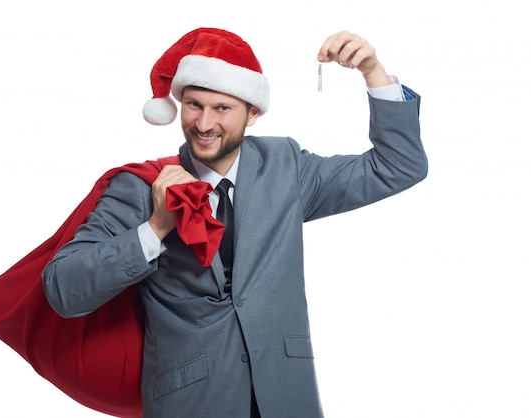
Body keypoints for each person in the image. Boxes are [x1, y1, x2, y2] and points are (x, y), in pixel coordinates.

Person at [42, 27, 428, 418]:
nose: (204, 123)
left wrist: (372, 70)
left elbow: (399, 166)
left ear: (253, 113)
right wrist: (155, 229)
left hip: (286, 398)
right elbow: (63, 288)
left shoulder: (285, 167)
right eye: (194, 105)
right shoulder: (140, 188)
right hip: (191, 403)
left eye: (222, 108)